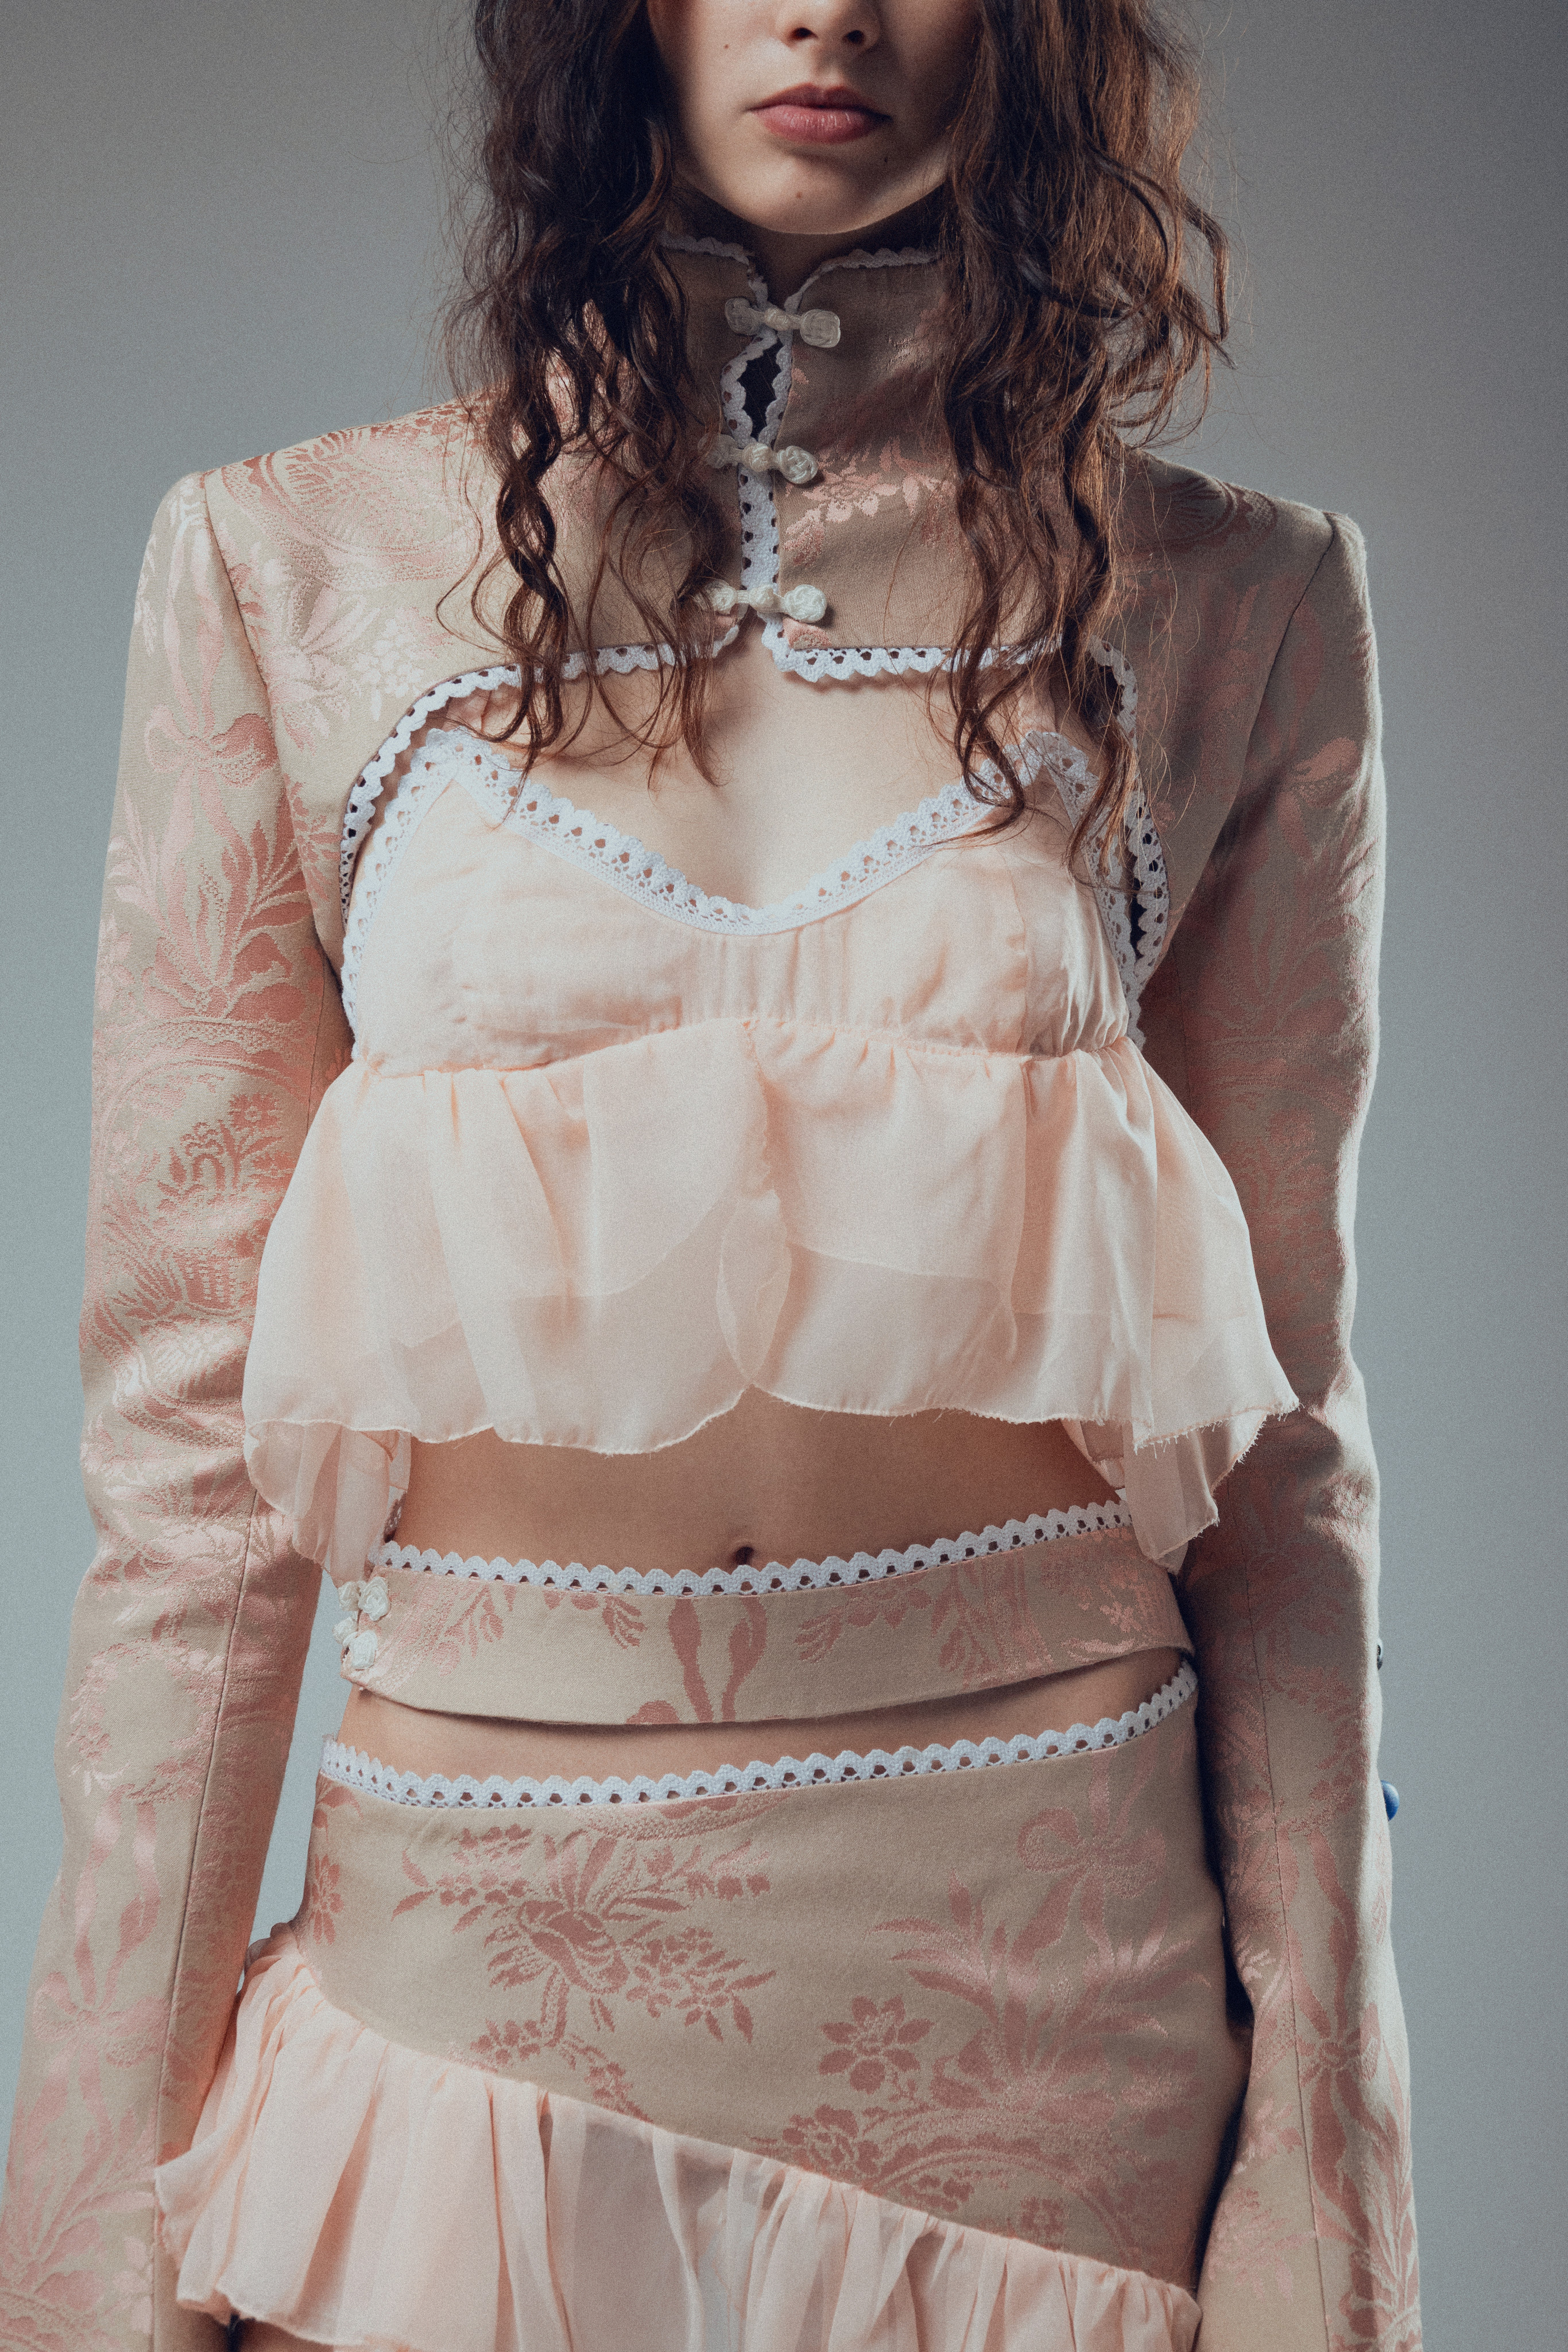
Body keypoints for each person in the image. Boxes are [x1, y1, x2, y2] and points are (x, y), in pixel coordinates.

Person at [0, 0, 1420, 2345]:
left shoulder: (1239, 600)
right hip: (470, 1950)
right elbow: (183, 1467)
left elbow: (1283, 1464)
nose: (825, 11)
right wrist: (83, 2219)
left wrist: (1324, 2171)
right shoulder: (284, 564)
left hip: (1043, 1982)